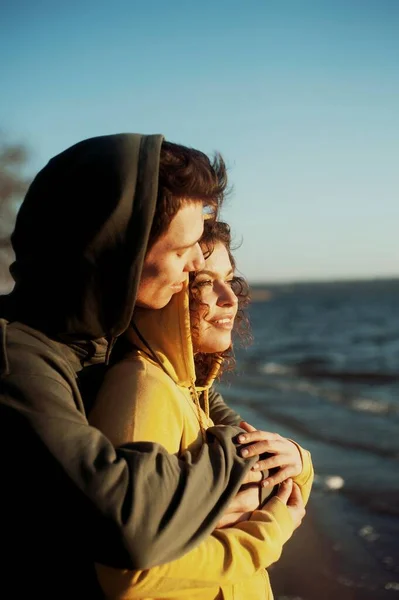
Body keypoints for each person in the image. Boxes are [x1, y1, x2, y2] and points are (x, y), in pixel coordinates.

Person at [0, 134, 263, 598]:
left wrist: (284, 455)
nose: (190, 272)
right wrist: (235, 457)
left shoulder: (103, 339)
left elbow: (206, 402)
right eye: (182, 251)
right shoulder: (14, 358)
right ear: (120, 251)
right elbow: (129, 523)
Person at [89, 219, 314, 599]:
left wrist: (298, 459)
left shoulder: (188, 387)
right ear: (166, 288)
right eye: (205, 283)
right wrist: (266, 534)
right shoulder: (142, 387)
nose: (230, 298)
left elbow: (279, 489)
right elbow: (129, 576)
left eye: (230, 279)